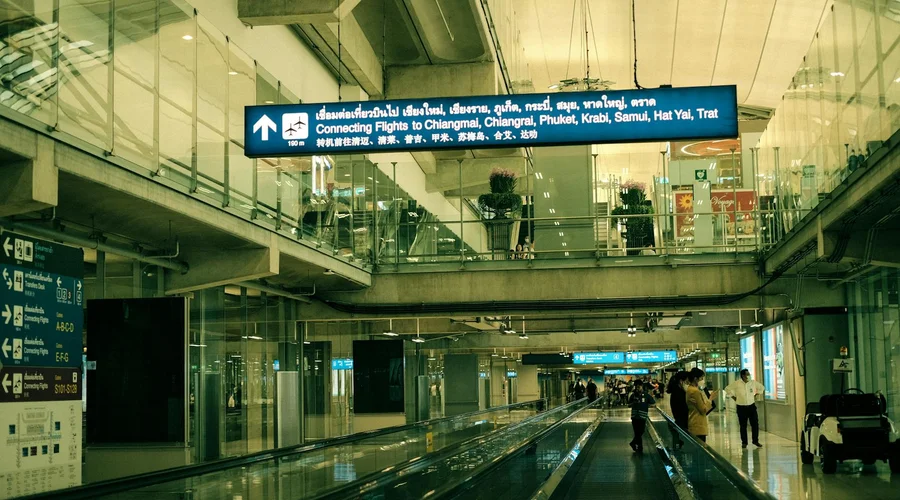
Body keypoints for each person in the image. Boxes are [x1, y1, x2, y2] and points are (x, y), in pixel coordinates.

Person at [724, 369, 765, 449]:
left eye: (749, 374)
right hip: (741, 407)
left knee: (755, 424)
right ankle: (744, 442)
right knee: (743, 426)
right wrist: (733, 396)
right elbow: (727, 389)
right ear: (743, 376)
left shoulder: (753, 383)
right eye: (747, 374)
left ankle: (755, 441)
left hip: (751, 407)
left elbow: (762, 388)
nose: (749, 375)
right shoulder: (737, 383)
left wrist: (757, 394)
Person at [685, 368, 717, 442]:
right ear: (696, 379)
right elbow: (703, 410)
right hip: (698, 425)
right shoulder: (695, 391)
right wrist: (710, 399)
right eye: (701, 378)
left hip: (693, 423)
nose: (703, 380)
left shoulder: (690, 389)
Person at [628, 380, 656, 452]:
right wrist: (634, 402)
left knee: (641, 431)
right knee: (637, 432)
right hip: (634, 416)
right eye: (636, 387)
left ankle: (633, 443)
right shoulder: (633, 395)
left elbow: (653, 403)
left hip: (642, 416)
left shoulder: (646, 395)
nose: (638, 388)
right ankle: (639, 448)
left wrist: (647, 405)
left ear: (642, 386)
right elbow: (628, 405)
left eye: (639, 387)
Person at [666, 371, 689, 436]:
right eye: (687, 380)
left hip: (680, 420)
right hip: (682, 422)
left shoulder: (676, 390)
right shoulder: (678, 392)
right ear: (681, 381)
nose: (688, 383)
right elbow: (683, 407)